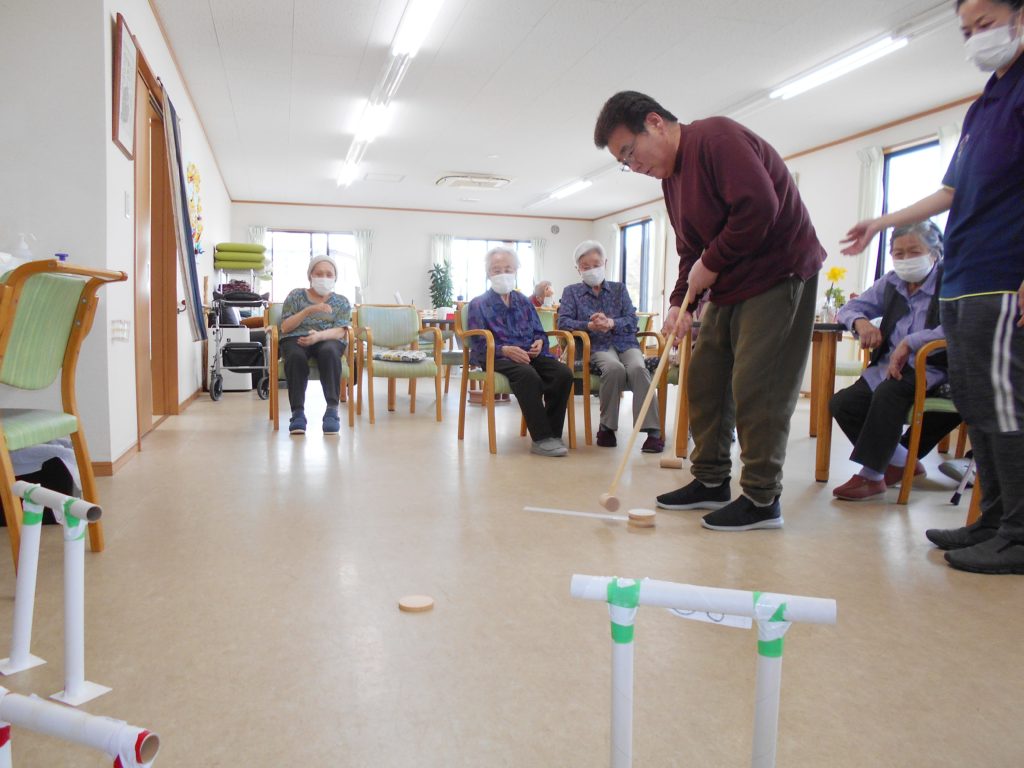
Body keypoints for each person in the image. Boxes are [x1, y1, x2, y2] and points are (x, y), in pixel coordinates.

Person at [841, 0, 1024, 573]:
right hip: (965, 281)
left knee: (1005, 406)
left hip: (1002, 278)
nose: (975, 39)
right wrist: (882, 222)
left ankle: (1019, 535)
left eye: (985, 25)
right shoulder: (985, 105)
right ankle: (991, 521)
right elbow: (951, 193)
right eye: (966, 31)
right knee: (976, 403)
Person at [594, 91, 826, 531]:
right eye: (624, 162)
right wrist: (679, 303)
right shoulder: (671, 181)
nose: (633, 165)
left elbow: (759, 207)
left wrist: (711, 263)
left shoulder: (716, 138)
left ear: (655, 123)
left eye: (630, 151)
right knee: (705, 378)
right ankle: (712, 479)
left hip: (779, 272)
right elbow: (690, 250)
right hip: (730, 282)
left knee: (758, 384)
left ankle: (761, 499)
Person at [829, 222, 961, 500]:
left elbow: (958, 326)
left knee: (888, 393)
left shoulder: (950, 281)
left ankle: (871, 476)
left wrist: (911, 342)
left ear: (935, 253)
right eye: (898, 254)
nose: (905, 259)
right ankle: (903, 462)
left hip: (931, 367)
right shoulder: (892, 282)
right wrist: (861, 322)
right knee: (843, 404)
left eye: (914, 251)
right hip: (887, 366)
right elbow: (850, 308)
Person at [466, 246, 574, 457]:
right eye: (497, 270)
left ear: (516, 271)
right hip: (496, 356)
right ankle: (541, 438)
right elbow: (477, 344)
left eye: (508, 269)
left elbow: (539, 332)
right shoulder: (478, 304)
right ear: (488, 273)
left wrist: (540, 342)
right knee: (527, 375)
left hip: (528, 354)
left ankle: (553, 434)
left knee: (562, 373)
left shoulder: (524, 301)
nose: (503, 274)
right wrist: (505, 350)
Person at [557, 240, 664, 453]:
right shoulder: (571, 292)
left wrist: (611, 323)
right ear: (578, 269)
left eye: (596, 264)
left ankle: (652, 432)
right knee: (614, 369)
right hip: (596, 345)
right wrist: (589, 325)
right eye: (585, 266)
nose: (591, 270)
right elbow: (564, 322)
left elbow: (632, 320)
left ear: (605, 263)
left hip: (625, 342)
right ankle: (606, 428)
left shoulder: (618, 289)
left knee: (639, 368)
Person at [279, 252, 352, 436]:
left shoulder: (341, 302)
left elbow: (341, 330)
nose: (324, 278)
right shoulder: (295, 296)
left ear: (335, 277)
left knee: (330, 351)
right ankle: (297, 414)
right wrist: (309, 310)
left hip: (327, 338)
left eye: (329, 274)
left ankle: (332, 411)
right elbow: (285, 327)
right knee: (295, 356)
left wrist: (318, 337)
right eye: (319, 273)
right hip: (296, 338)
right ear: (310, 275)